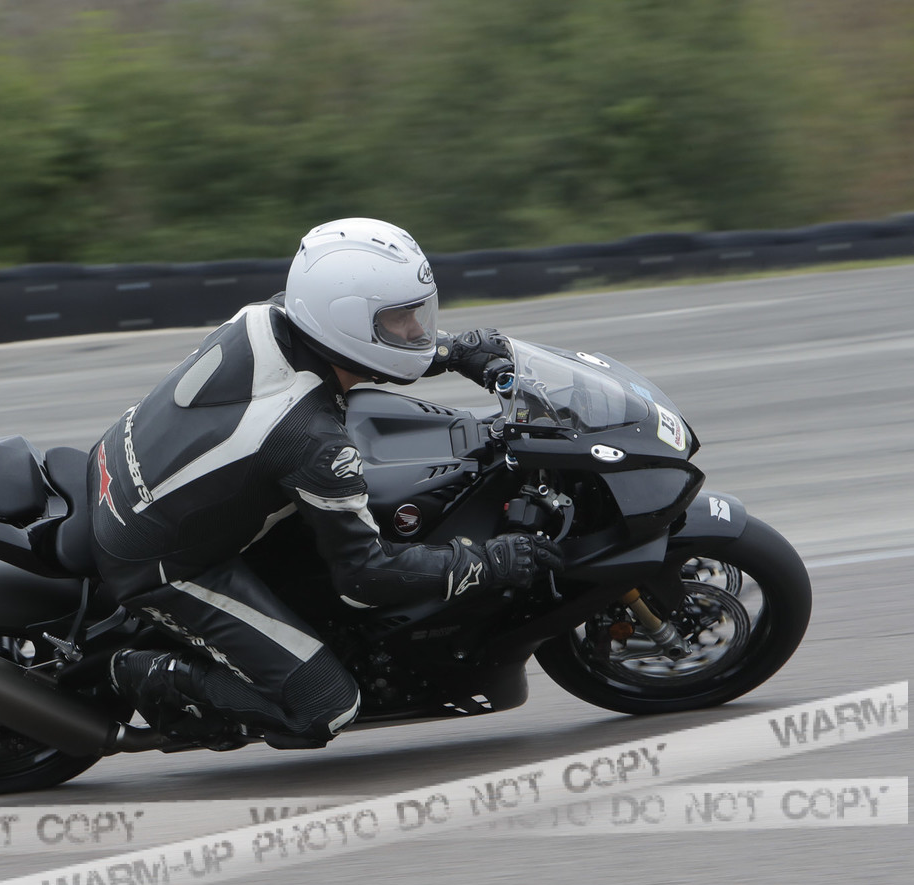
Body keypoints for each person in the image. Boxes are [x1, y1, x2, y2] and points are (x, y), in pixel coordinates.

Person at [91, 218, 563, 749]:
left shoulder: (269, 317)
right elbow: (366, 577)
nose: (417, 329)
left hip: (117, 464)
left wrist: (454, 351)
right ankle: (142, 672)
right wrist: (487, 562)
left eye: (418, 314)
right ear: (345, 321)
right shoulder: (312, 440)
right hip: (158, 561)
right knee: (325, 706)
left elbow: (369, 348)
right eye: (400, 318)